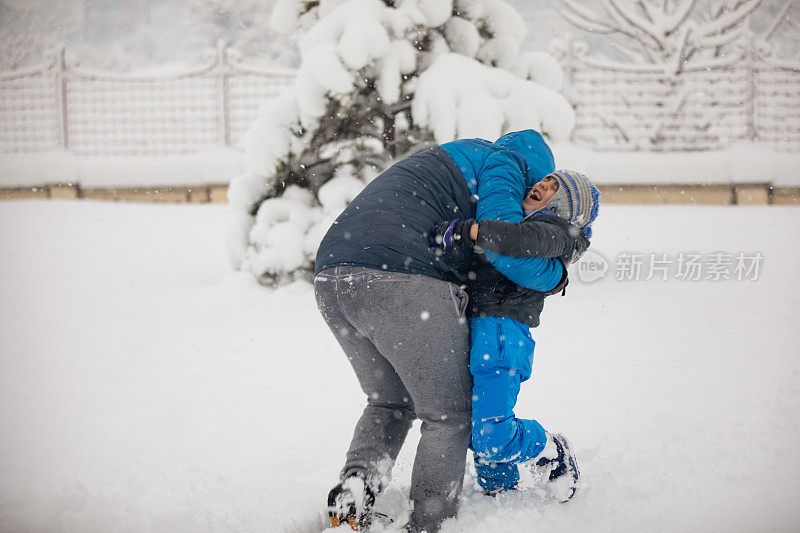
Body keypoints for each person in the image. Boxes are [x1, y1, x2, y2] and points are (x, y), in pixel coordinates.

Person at [314, 130, 564, 532]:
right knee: (449, 415)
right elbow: (505, 245)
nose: (535, 195)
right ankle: (430, 522)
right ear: (533, 171)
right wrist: (557, 274)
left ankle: (356, 488)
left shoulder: (457, 158)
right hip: (400, 279)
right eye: (541, 184)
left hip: (333, 276)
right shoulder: (508, 164)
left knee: (389, 401)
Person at [431, 169, 600, 501]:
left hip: (503, 332)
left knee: (491, 433)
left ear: (563, 207)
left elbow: (521, 241)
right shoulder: (512, 227)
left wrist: (471, 231)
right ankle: (499, 491)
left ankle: (550, 448)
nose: (541, 186)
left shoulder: (559, 232)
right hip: (479, 326)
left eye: (553, 188)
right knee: (471, 422)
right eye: (544, 181)